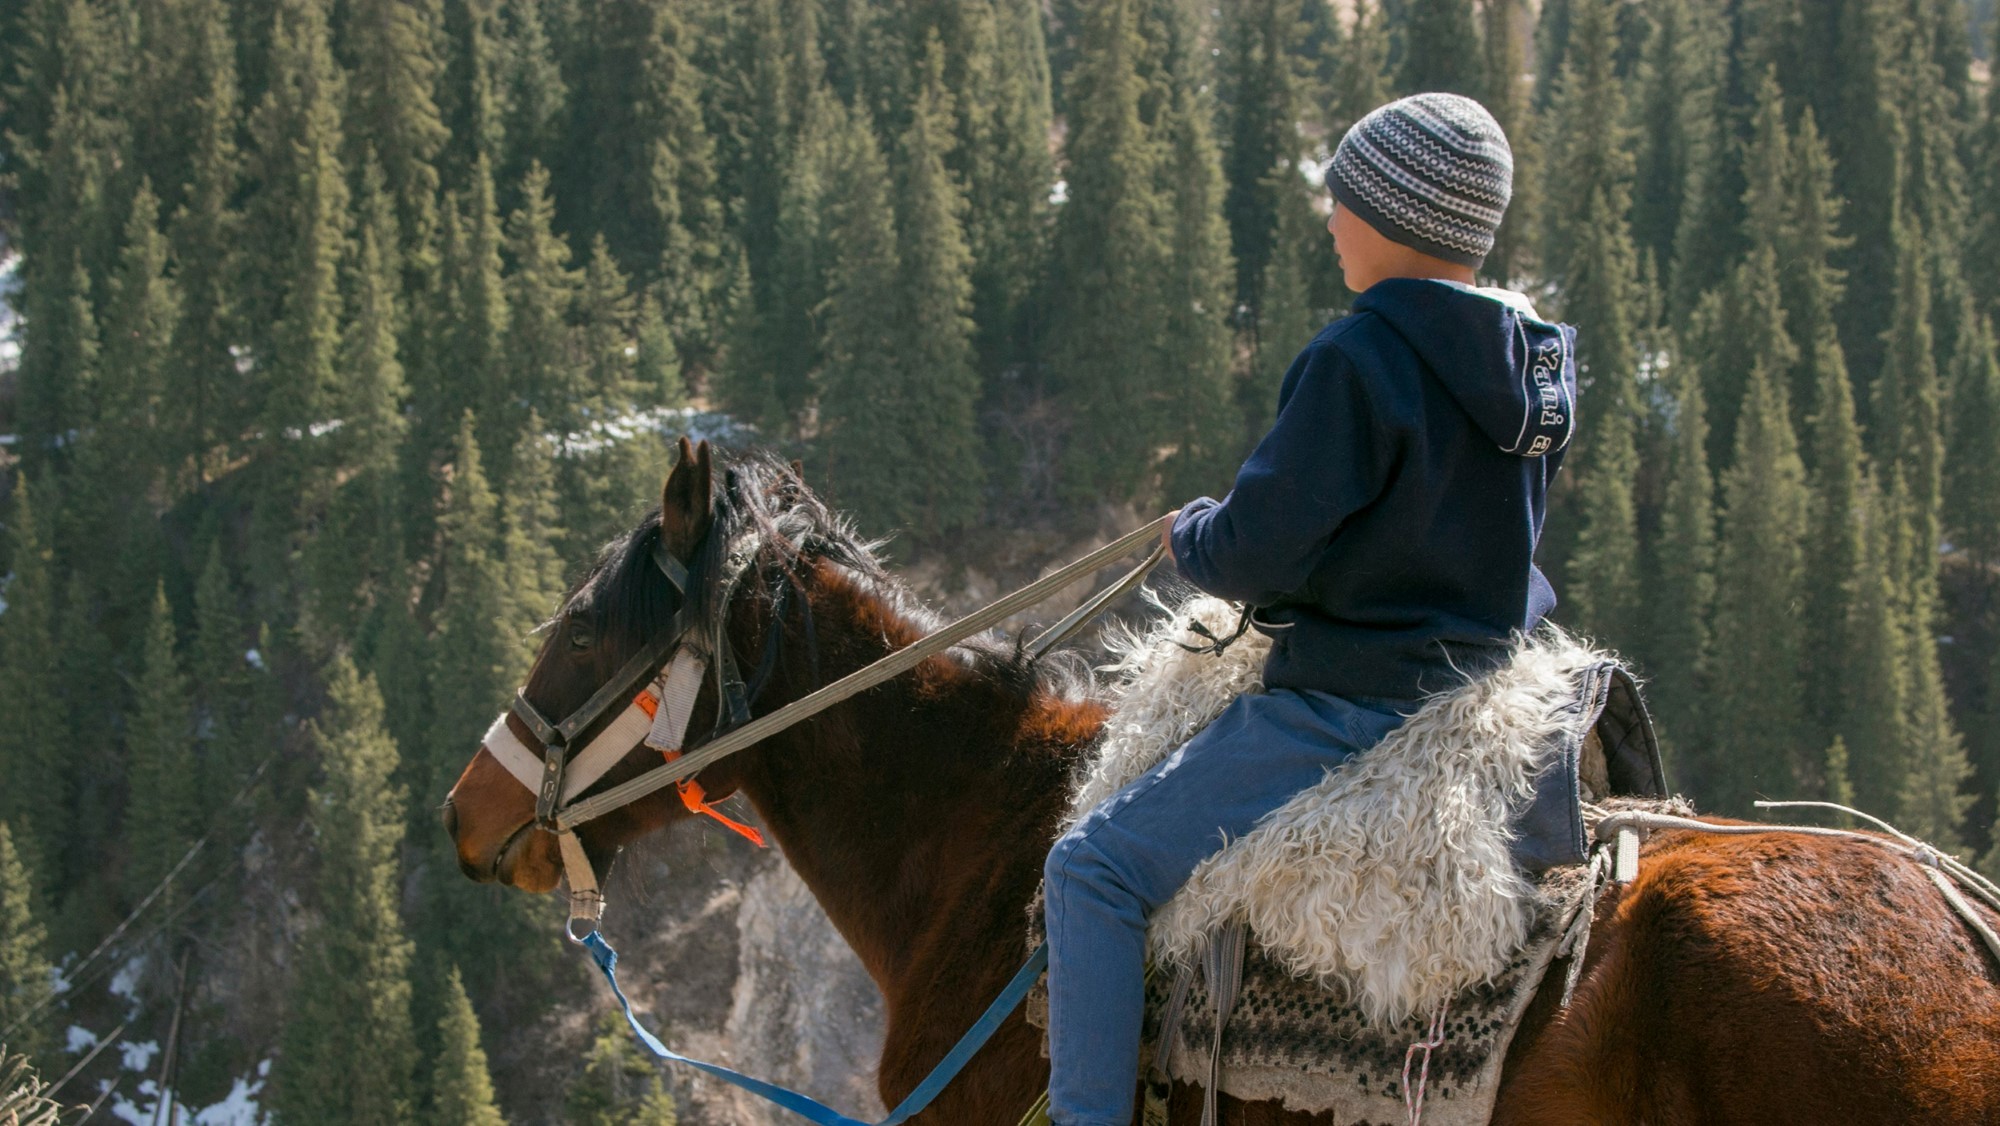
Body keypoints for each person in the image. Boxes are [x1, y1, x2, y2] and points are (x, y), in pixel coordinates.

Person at [1040, 92, 1580, 1125]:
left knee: (1090, 869)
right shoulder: (1534, 364)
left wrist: (1190, 532)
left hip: (1351, 700)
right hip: (1483, 677)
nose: (1328, 216)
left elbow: (1254, 551)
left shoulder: (1356, 359)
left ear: (1390, 215)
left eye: (1341, 197)